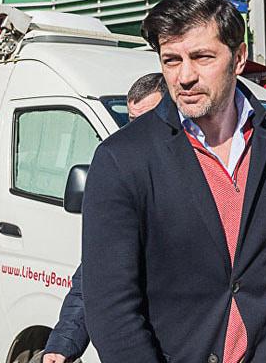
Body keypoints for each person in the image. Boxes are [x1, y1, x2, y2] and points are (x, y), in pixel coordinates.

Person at [81, 0, 266, 363]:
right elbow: (111, 307)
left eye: (202, 57)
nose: (185, 76)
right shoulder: (121, 159)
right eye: (171, 60)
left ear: (238, 58)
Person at [42, 73, 166, 363]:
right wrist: (63, 342)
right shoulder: (124, 173)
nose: (136, 133)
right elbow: (97, 275)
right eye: (131, 122)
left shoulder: (204, 172)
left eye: (148, 121)